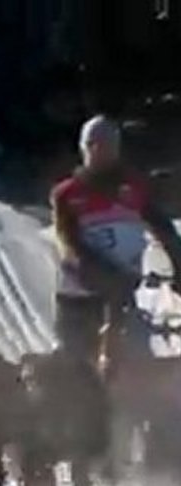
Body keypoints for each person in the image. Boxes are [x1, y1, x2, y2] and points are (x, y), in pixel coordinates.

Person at [51, 114, 181, 376]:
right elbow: (70, 242)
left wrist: (178, 261)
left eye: (106, 145)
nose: (100, 152)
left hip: (121, 295)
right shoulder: (67, 194)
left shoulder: (134, 188)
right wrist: (103, 273)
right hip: (79, 296)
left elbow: (162, 227)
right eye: (93, 145)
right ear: (84, 149)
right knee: (74, 373)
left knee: (130, 366)